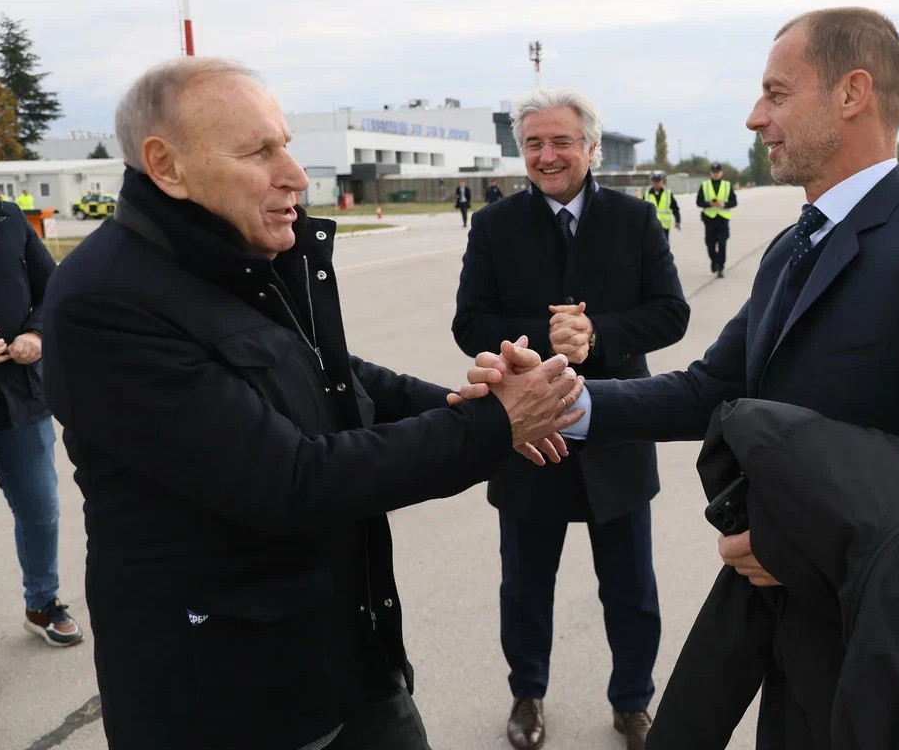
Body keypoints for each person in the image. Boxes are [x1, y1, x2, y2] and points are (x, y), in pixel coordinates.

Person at [460, 7, 899, 749]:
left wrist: (804, 537)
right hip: (789, 633)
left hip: (886, 651)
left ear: (851, 94)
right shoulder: (793, 248)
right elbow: (712, 388)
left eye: (776, 94)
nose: (754, 116)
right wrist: (564, 401)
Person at [40, 57, 585, 750]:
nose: (295, 173)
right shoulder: (105, 302)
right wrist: (486, 425)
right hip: (230, 703)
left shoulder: (240, 254)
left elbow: (333, 376)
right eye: (259, 151)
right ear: (167, 166)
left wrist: (469, 401)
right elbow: (287, 481)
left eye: (287, 143)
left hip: (345, 658)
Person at [452, 87, 690, 750]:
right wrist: (546, 337)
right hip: (527, 436)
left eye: (560, 142)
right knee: (525, 586)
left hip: (615, 429)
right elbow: (469, 321)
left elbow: (671, 312)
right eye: (534, 143)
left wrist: (600, 336)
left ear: (590, 146)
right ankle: (527, 696)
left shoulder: (636, 221)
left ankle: (633, 703)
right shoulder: (494, 226)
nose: (547, 155)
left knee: (631, 589)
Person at [0, 185, 79, 703]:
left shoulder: (7, 219)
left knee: (41, 510)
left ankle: (42, 604)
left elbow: (52, 288)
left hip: (17, 395)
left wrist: (38, 334)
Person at [696, 163, 736, 277]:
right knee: (710, 245)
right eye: (713, 172)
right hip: (709, 220)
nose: (715, 174)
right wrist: (709, 203)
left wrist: (724, 204)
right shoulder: (704, 186)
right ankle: (714, 261)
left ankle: (720, 267)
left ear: (721, 173)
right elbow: (699, 202)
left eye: (717, 172)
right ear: (710, 173)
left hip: (723, 220)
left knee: (722, 244)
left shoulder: (727, 185)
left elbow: (734, 202)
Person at [638, 173, 680, 240]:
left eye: (658, 182)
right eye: (655, 182)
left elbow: (675, 208)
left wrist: (678, 220)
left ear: (662, 182)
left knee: (664, 247)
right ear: (652, 183)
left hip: (664, 227)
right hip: (651, 227)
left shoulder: (668, 194)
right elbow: (641, 210)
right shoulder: (646, 194)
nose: (657, 184)